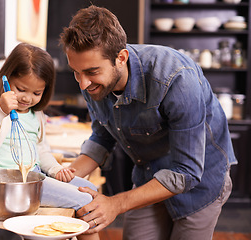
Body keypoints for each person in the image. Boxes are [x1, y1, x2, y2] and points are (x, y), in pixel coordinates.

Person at [59, 5, 237, 240]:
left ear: (120, 58)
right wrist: (59, 179)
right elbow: (102, 136)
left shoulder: (176, 78)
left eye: (91, 72)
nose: (82, 84)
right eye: (76, 72)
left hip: (200, 181)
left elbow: (186, 172)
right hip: (150, 173)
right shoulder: (91, 80)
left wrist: (115, 204)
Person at [0, 42, 99, 240]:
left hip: (34, 178)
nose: (27, 98)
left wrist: (55, 170)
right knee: (86, 201)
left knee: (92, 189)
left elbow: (40, 149)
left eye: (37, 93)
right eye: (21, 89)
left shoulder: (36, 114)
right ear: (6, 79)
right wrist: (0, 111)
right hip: (6, 186)